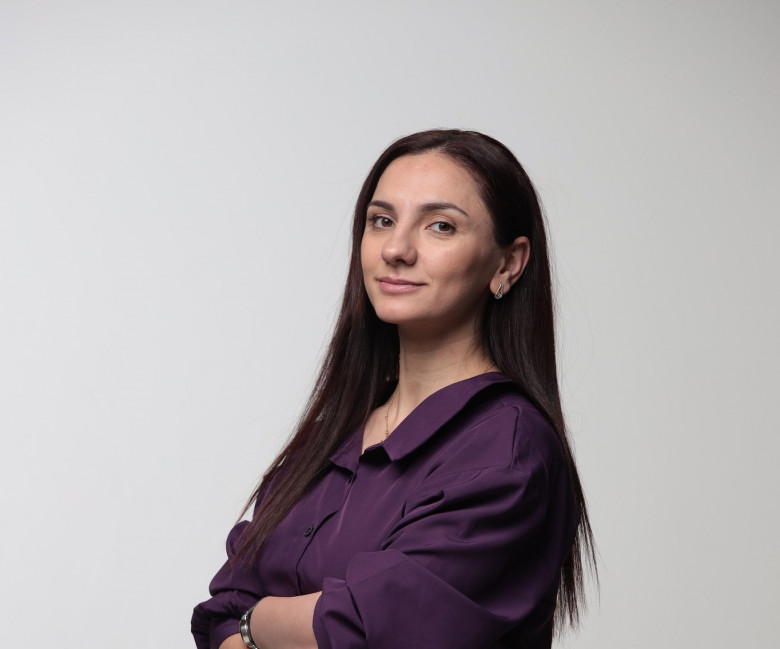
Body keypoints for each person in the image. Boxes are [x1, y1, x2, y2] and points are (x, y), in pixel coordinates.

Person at [192, 129, 596, 649]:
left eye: (440, 226)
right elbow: (221, 610)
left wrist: (259, 621)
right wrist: (257, 625)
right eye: (382, 220)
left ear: (508, 263)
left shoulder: (508, 449)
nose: (396, 249)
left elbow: (377, 630)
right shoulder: (332, 436)